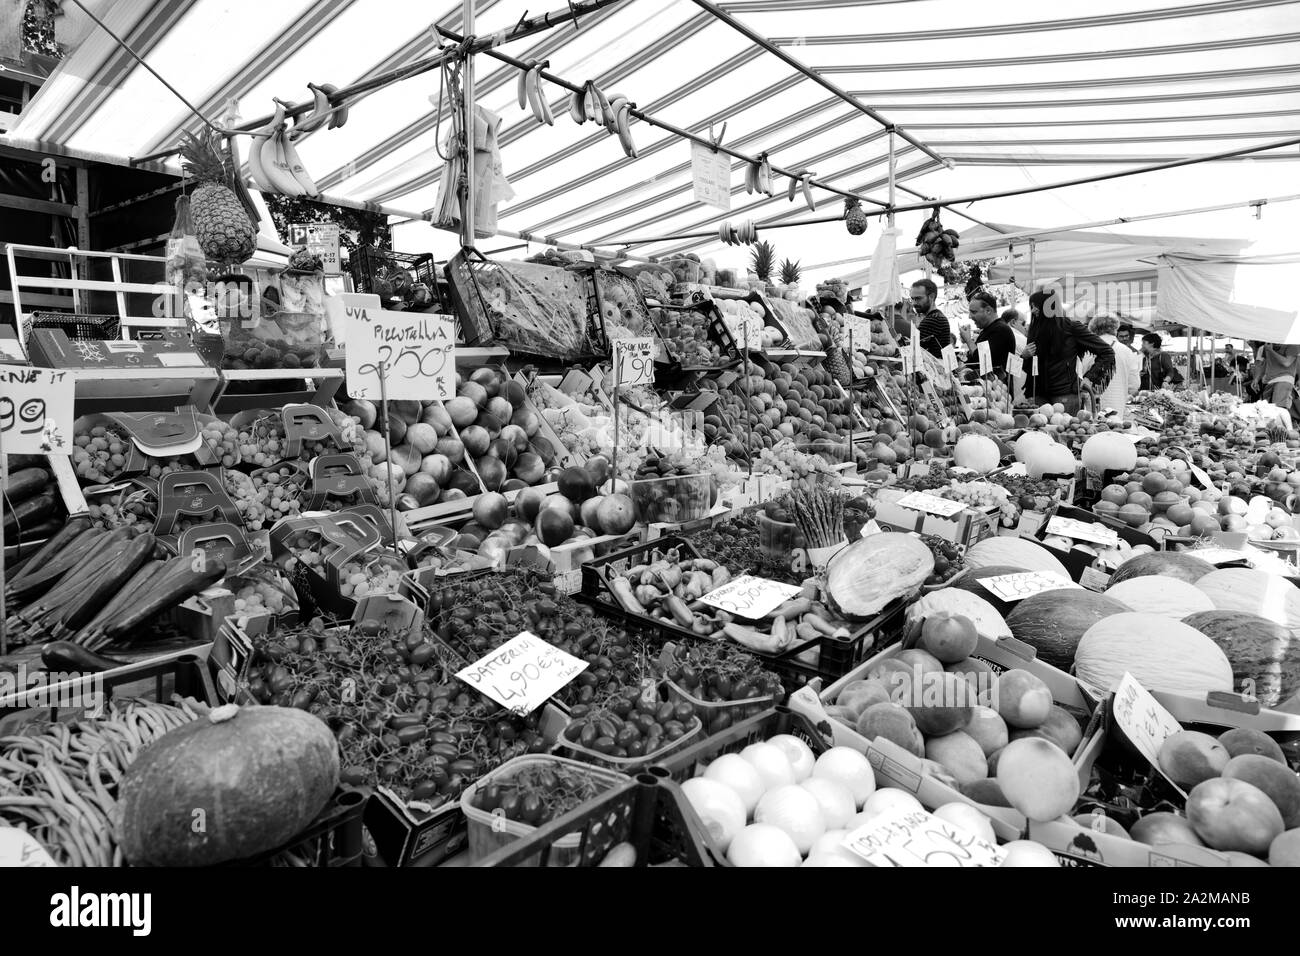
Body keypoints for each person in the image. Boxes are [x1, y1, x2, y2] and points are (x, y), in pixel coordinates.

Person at [1021, 289, 1114, 415]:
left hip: (1066, 396)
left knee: (1066, 432)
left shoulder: (1071, 327)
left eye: (1036, 306)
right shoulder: (1034, 329)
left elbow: (1107, 352)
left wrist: (1089, 378)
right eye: (1031, 306)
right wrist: (1025, 356)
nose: (1032, 310)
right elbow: (1029, 367)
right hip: (1038, 396)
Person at [1083, 315, 1140, 418]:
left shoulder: (1087, 350)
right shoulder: (1127, 351)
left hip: (1091, 409)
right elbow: (1134, 385)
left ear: (1093, 329)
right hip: (1117, 409)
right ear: (1115, 329)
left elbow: (1081, 380)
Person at [962, 290, 1016, 378]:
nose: (970, 316)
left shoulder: (1000, 330)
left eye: (974, 312)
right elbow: (973, 360)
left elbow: (982, 360)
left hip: (999, 388)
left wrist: (968, 340)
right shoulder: (988, 330)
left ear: (988, 311)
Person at [909, 278, 951, 358]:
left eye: (918, 298)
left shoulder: (933, 320)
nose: (914, 303)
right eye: (912, 299)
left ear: (931, 297)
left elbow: (912, 351)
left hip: (933, 369)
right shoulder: (938, 316)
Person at [1251, 342, 1300, 407]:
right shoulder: (1266, 345)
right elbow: (1264, 364)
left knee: (1277, 410)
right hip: (1269, 380)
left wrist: (1270, 350)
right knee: (1269, 411)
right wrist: (1256, 379)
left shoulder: (1293, 344)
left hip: (1284, 380)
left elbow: (1287, 363)